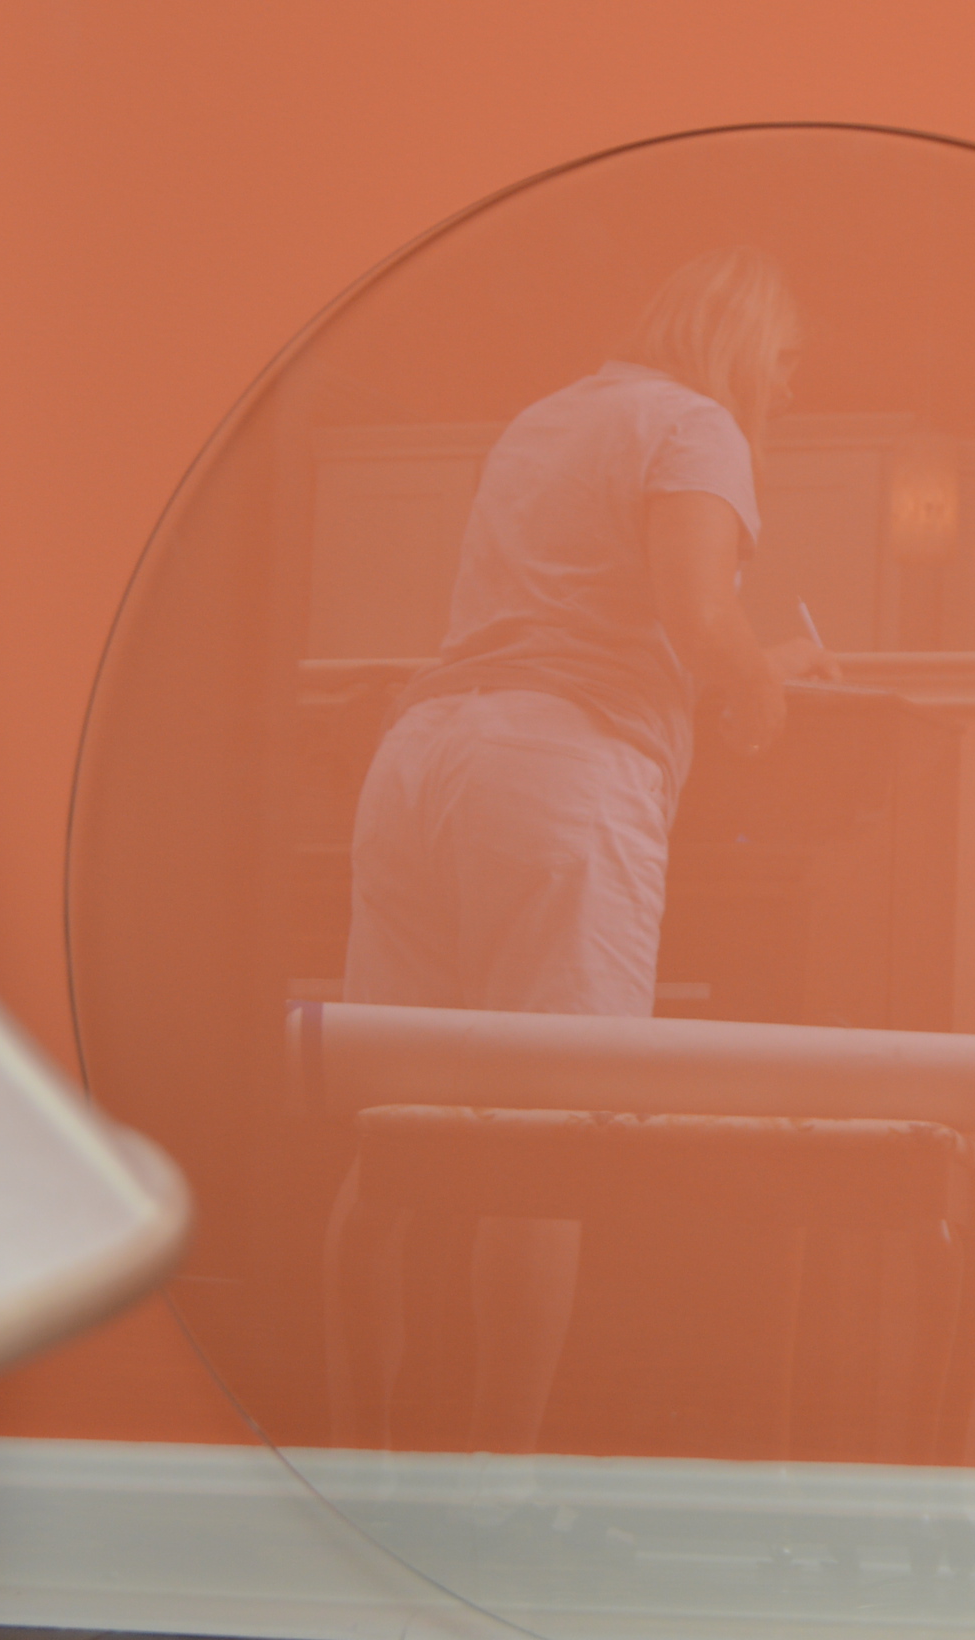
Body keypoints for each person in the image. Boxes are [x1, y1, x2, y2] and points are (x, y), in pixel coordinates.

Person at [328, 248, 836, 1455]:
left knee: (388, 1137)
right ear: (736, 342)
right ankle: (503, 1482)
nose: (789, 386)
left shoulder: (544, 419)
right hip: (555, 777)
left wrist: (751, 662)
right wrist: (761, 686)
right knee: (545, 1143)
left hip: (422, 761)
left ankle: (352, 1457)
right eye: (784, 359)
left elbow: (577, 623)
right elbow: (696, 617)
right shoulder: (700, 425)